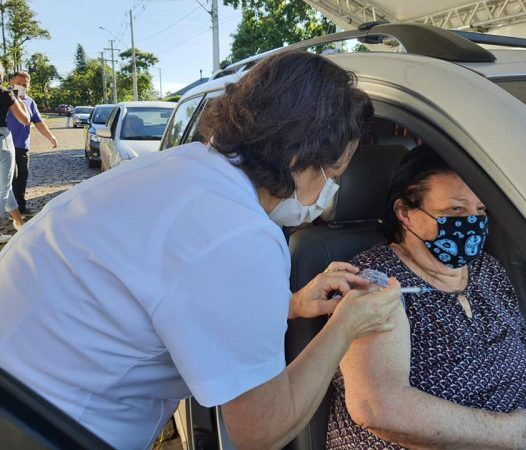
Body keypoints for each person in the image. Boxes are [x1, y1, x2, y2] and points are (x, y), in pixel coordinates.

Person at [0, 51, 401, 449]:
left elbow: (166, 291)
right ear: (299, 156)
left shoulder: (178, 171)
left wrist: (289, 305)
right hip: (46, 429)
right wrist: (347, 325)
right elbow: (260, 429)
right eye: (332, 175)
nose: (330, 194)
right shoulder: (238, 234)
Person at [327, 145, 526, 449]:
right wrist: (507, 434)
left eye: (479, 211)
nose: (472, 223)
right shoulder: (375, 280)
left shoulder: (489, 272)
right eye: (455, 211)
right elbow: (378, 407)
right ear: (405, 214)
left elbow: (525, 370)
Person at [7, 71, 58, 215]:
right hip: (4, 146)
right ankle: (10, 209)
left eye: (25, 84)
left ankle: (20, 208)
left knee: (22, 177)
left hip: (22, 146)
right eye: (19, 83)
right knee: (10, 179)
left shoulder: (30, 101)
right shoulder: (4, 97)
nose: (22, 86)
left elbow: (38, 122)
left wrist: (50, 136)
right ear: (11, 82)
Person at [0, 66, 31, 243]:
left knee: (5, 185)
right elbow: (25, 119)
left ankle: (18, 221)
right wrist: (17, 99)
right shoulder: (5, 94)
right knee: (3, 189)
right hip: (2, 142)